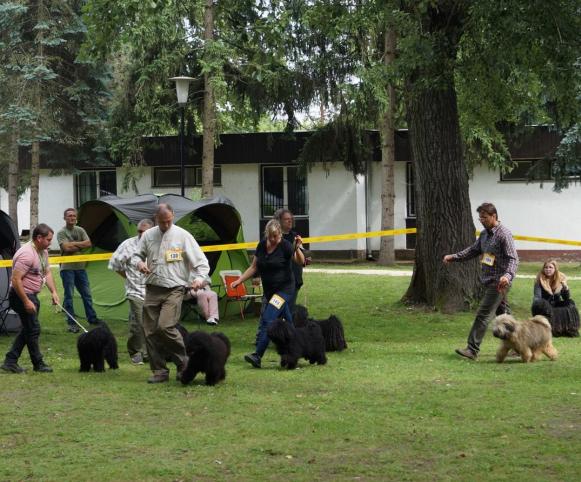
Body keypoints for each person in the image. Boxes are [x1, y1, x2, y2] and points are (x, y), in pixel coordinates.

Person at [132, 203, 210, 384]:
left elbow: (202, 263)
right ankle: (159, 370)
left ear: (173, 216)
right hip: (152, 288)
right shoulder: (148, 235)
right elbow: (136, 256)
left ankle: (184, 362)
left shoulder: (183, 236)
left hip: (175, 289)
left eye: (168, 221)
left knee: (165, 326)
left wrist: (199, 278)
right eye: (162, 222)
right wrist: (139, 264)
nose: (165, 225)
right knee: (149, 331)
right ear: (155, 219)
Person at [443, 202, 518, 360]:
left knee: (483, 314)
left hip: (499, 283)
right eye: (480, 218)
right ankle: (519, 345)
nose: (482, 220)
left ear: (494, 216)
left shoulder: (504, 234)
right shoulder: (484, 234)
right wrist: (453, 257)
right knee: (505, 316)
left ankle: (472, 349)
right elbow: (473, 250)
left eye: (484, 217)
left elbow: (513, 259)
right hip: (489, 280)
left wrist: (507, 276)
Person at [232, 219, 304, 368]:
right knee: (289, 322)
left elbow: (300, 261)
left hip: (284, 290)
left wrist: (297, 248)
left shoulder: (285, 246)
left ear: (280, 235)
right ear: (267, 234)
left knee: (268, 319)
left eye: (277, 236)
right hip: (270, 290)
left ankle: (257, 355)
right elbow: (253, 267)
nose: (274, 240)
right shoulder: (262, 246)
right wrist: (239, 280)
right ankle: (298, 347)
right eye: (271, 237)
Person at [1, 224, 60, 374]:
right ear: (39, 238)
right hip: (21, 295)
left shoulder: (43, 251)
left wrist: (54, 292)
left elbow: (47, 273)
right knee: (33, 329)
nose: (50, 243)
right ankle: (38, 363)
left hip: (32, 295)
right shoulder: (26, 254)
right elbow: (16, 280)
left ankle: (10, 361)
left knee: (28, 329)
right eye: (48, 239)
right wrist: (26, 301)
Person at [108, 218, 154, 365]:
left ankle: (148, 353)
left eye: (145, 232)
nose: (141, 234)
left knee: (153, 324)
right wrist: (128, 278)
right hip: (135, 291)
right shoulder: (128, 244)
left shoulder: (157, 243)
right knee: (139, 323)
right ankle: (135, 351)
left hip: (155, 291)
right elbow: (114, 264)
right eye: (139, 231)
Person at [57, 207, 101, 333]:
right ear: (65, 218)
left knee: (86, 295)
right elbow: (66, 248)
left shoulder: (80, 230)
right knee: (69, 296)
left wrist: (73, 244)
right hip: (67, 269)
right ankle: (71, 323)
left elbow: (88, 244)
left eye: (74, 216)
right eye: (69, 216)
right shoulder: (61, 232)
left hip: (80, 268)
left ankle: (92, 319)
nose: (72, 218)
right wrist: (79, 244)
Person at [532, 259, 579, 337]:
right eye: (546, 267)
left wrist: (565, 287)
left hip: (556, 304)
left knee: (570, 303)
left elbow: (566, 297)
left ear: (555, 269)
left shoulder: (561, 278)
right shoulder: (539, 279)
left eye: (550, 267)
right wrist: (540, 305)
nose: (548, 269)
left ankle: (570, 328)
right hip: (544, 306)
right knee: (540, 304)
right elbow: (537, 297)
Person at [273, 208, 308, 313]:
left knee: (290, 311)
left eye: (291, 219)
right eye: (286, 219)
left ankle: (288, 328)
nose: (290, 221)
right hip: (280, 281)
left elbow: (302, 255)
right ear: (278, 221)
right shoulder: (275, 237)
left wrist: (304, 256)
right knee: (277, 311)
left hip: (295, 279)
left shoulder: (295, 236)